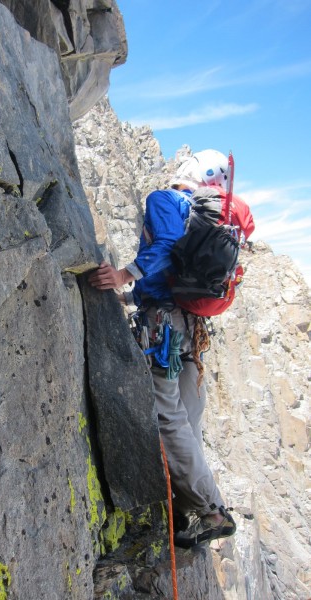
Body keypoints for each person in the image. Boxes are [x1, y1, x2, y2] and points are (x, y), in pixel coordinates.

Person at [89, 150, 249, 548]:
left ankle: (209, 508)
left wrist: (125, 275)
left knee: (167, 415)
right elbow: (172, 271)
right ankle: (187, 512)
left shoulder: (167, 199)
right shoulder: (208, 219)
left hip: (164, 330)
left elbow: (166, 244)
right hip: (193, 329)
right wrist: (131, 298)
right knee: (189, 423)